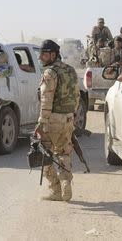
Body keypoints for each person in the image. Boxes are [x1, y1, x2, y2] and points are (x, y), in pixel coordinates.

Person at [34, 40, 80, 201]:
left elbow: (46, 100)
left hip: (52, 120)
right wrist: (72, 116)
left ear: (53, 55)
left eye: (44, 54)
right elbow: (76, 96)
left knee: (43, 154)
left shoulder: (50, 73)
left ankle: (55, 189)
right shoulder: (71, 70)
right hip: (67, 119)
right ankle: (66, 181)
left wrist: (41, 123)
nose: (40, 57)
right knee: (64, 153)